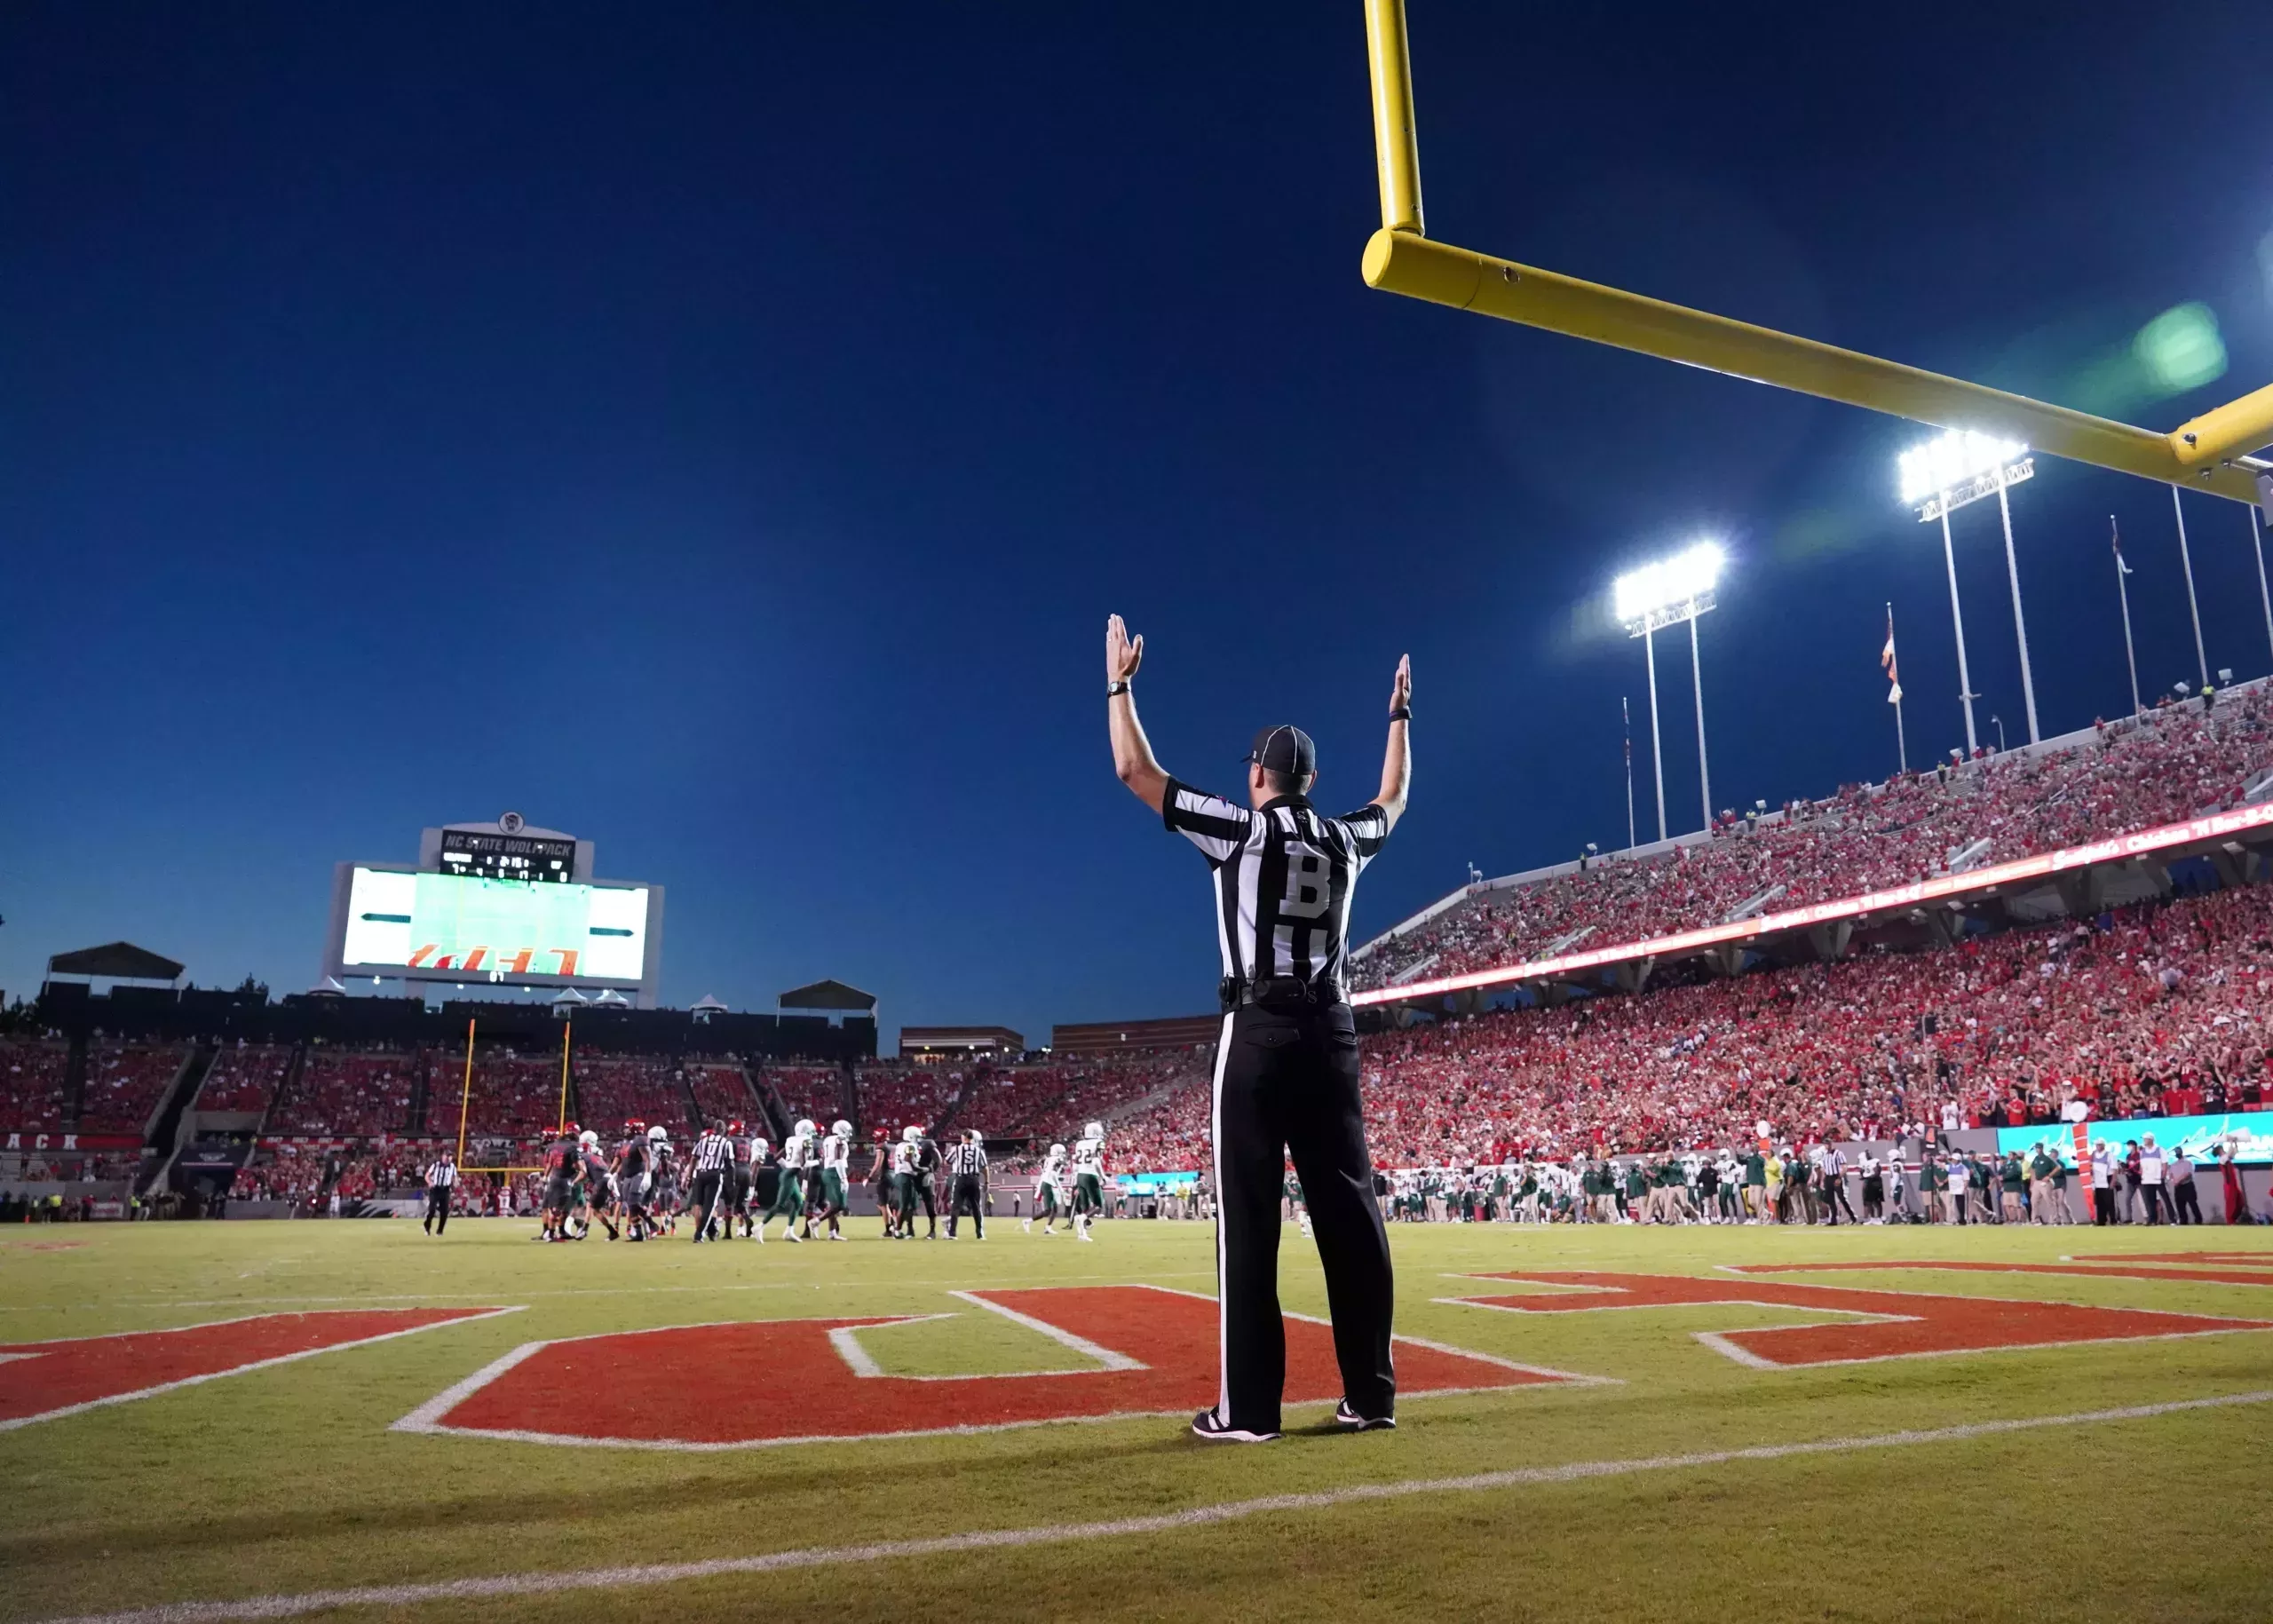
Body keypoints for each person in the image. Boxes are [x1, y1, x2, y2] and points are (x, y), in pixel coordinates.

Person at [1104, 612, 1408, 1443]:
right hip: (1334, 1034)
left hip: (1260, 1028)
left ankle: (1250, 1409)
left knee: (1249, 1223)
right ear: (1308, 779)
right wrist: (1398, 720)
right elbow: (1393, 800)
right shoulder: (1344, 840)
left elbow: (1135, 769)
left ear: (1258, 775)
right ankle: (1372, 1394)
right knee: (1352, 1213)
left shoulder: (1239, 829)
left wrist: (1119, 685)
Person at [945, 1128, 988, 1240]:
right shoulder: (978, 1150)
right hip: (974, 1179)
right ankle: (979, 1233)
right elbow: (984, 1167)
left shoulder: (957, 1149)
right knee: (976, 1207)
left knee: (956, 1207)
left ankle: (952, 1233)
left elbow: (947, 1161)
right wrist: (987, 1181)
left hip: (961, 1179)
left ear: (963, 1138)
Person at [421, 1149, 456, 1236]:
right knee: (432, 1210)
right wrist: (429, 1182)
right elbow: (427, 1175)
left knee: (444, 1212)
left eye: (449, 1156)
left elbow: (454, 1178)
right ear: (443, 1156)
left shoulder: (453, 1167)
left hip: (445, 1190)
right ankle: (427, 1226)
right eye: (446, 1156)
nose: (448, 1158)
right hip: (435, 1189)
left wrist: (454, 1185)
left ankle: (440, 1231)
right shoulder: (436, 1165)